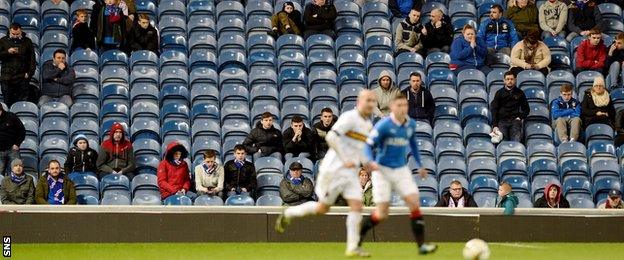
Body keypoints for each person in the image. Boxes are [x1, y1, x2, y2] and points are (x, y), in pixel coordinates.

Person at [276, 90, 378, 257]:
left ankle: (352, 247)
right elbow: (331, 137)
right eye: (368, 100)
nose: (371, 104)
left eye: (373, 101)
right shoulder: (348, 118)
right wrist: (345, 158)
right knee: (322, 207)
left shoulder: (367, 125)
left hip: (349, 172)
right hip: (333, 169)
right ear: (359, 102)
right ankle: (289, 213)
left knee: (357, 206)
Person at [360, 94, 438, 255]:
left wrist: (420, 164)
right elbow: (367, 146)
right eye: (399, 105)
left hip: (401, 169)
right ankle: (357, 238)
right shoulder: (383, 126)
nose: (403, 108)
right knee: (382, 213)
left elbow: (413, 145)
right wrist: (369, 161)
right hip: (382, 170)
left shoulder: (410, 124)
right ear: (392, 107)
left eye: (405, 105)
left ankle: (422, 245)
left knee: (414, 202)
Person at [0, 23, 37, 107]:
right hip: (7, 77)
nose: (15, 36)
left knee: (22, 104)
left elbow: (32, 59)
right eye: (13, 34)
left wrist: (30, 73)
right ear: (10, 31)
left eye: (17, 34)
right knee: (7, 104)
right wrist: (7, 52)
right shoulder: (3, 41)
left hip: (22, 77)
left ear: (21, 31)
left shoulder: (27, 41)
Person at [490, 71, 530, 143]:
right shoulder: (499, 93)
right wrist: (495, 125)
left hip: (515, 121)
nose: (510, 81)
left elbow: (526, 109)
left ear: (515, 80)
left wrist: (520, 117)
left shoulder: (520, 93)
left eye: (511, 79)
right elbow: (494, 109)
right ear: (504, 81)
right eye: (507, 79)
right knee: (503, 143)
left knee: (516, 142)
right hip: (502, 121)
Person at [0, 104, 25, 175]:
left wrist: (17, 144)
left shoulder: (11, 116)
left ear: (1, 109)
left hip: (12, 150)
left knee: (17, 172)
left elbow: (22, 131)